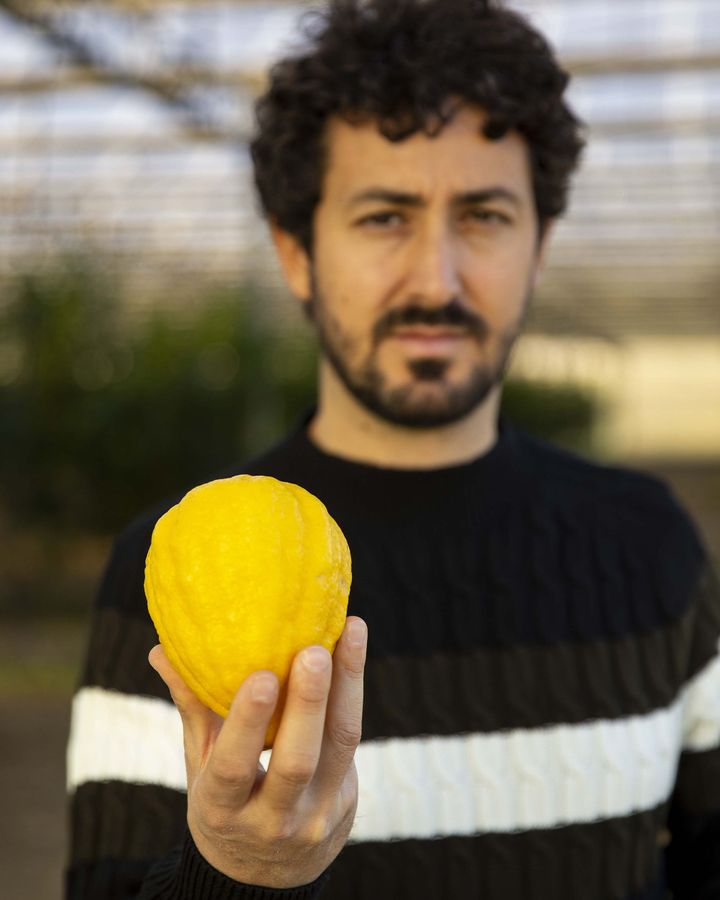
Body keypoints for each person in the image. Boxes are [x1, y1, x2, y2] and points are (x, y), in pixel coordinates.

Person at [65, 0, 720, 897]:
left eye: (485, 215)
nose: (436, 279)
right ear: (296, 253)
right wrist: (238, 875)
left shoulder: (655, 546)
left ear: (539, 249)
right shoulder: (174, 574)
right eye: (384, 217)